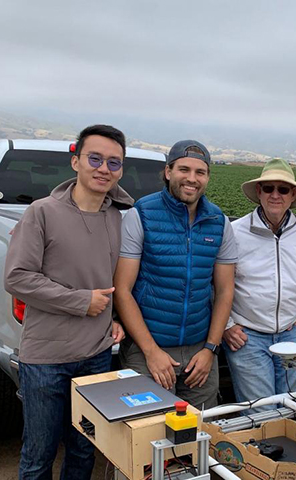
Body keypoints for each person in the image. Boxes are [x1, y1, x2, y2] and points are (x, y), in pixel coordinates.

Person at [4, 124, 131, 479]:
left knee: (83, 450)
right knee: (39, 454)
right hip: (46, 359)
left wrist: (114, 317)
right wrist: (79, 302)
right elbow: (17, 277)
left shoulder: (116, 217)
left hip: (96, 356)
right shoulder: (41, 213)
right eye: (95, 158)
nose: (104, 168)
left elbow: (113, 280)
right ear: (75, 162)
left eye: (114, 162)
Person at [115, 140, 237, 409]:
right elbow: (123, 290)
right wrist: (150, 351)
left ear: (207, 178)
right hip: (147, 346)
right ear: (169, 172)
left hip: (198, 350)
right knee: (146, 429)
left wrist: (210, 349)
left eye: (200, 172)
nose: (191, 179)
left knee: (200, 431)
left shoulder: (218, 222)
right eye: (184, 169)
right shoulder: (142, 215)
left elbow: (225, 291)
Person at [223, 158, 296, 411]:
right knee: (260, 413)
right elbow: (214, 284)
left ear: (293, 195)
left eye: (283, 189)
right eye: (268, 188)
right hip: (248, 338)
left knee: (295, 410)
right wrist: (228, 325)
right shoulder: (234, 232)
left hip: (291, 335)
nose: (275, 195)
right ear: (259, 192)